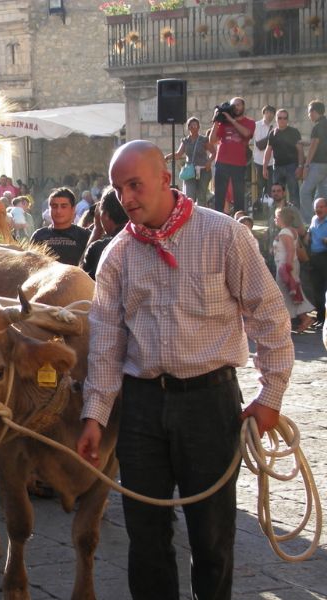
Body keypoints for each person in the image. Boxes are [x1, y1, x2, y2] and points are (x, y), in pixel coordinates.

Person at [76, 140, 294, 600]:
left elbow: (270, 315)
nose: (127, 197)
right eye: (119, 189)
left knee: (212, 532)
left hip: (210, 402)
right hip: (142, 406)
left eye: (135, 184)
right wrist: (94, 416)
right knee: (145, 532)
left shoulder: (224, 235)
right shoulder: (117, 255)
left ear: (164, 179)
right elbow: (106, 344)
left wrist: (270, 397)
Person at [209, 97, 255, 214]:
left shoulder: (249, 122)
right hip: (222, 162)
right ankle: (218, 220)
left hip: (238, 163)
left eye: (238, 105)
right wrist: (216, 120)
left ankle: (239, 221)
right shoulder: (223, 123)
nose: (236, 107)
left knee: (239, 195)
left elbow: (247, 133)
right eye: (233, 105)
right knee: (219, 194)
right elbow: (212, 140)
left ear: (243, 107)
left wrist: (232, 120)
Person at [274, 206, 315, 332]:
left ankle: (295, 320)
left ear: (282, 218)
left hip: (285, 266)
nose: (275, 220)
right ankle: (302, 318)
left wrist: (287, 265)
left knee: (284, 293)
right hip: (290, 265)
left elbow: (291, 250)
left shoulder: (285, 232)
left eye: (277, 217)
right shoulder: (292, 231)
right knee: (292, 293)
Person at [29, 187, 90, 265]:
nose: (58, 211)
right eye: (54, 206)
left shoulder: (85, 236)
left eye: (63, 206)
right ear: (49, 209)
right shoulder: (39, 235)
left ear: (73, 209)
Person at [80, 187, 128, 280]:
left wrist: (97, 230)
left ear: (105, 215)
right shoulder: (146, 242)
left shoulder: (98, 248)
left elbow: (81, 277)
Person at [165, 117, 214, 207]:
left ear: (198, 127)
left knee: (201, 195)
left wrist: (209, 162)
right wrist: (168, 157)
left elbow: (213, 152)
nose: (193, 127)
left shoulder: (204, 140)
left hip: (203, 170)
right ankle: (190, 213)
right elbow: (179, 154)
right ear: (188, 128)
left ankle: (201, 215)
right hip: (190, 171)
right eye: (191, 126)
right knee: (189, 195)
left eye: (195, 125)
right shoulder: (185, 141)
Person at [263, 108, 304, 213]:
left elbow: (300, 150)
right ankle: (278, 217)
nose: (282, 120)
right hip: (277, 167)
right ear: (276, 119)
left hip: (292, 166)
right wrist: (264, 167)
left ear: (287, 120)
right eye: (280, 118)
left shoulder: (294, 132)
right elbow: (268, 151)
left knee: (294, 193)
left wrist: (300, 166)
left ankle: (295, 218)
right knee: (277, 194)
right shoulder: (272, 133)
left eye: (284, 118)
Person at [300, 100, 327, 225]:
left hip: (318, 164)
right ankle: (322, 220)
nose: (308, 115)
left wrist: (306, 165)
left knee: (304, 191)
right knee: (322, 194)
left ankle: (309, 221)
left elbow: (315, 145)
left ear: (314, 112)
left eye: (309, 112)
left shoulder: (317, 126)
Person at [307, 197, 327, 329]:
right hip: (314, 258)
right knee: (316, 289)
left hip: (325, 256)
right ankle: (320, 317)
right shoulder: (314, 219)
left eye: (321, 206)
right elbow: (310, 231)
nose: (318, 209)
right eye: (316, 207)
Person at [253, 104, 276, 203]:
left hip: (272, 161)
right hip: (259, 160)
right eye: (267, 112)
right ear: (264, 113)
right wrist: (271, 135)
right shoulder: (257, 125)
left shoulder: (276, 126)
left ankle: (270, 207)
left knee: (271, 187)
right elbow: (260, 145)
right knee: (260, 186)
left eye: (272, 113)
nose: (269, 115)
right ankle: (259, 206)